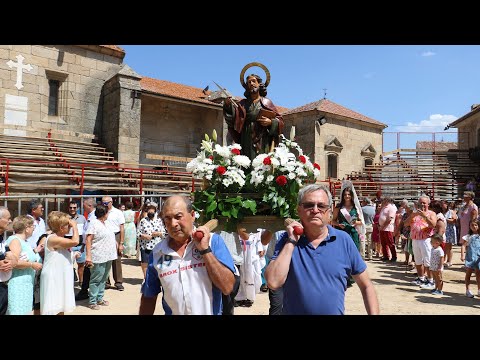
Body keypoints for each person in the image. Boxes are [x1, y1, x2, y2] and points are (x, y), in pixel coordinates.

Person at [265, 184, 379, 315]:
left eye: (321, 206)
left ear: (329, 212)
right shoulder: (287, 240)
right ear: (299, 210)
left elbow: (366, 285)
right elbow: (273, 282)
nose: (315, 210)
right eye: (308, 205)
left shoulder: (343, 240)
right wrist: (291, 241)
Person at [139, 195, 235, 315]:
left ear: (193, 215)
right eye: (167, 218)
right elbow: (149, 296)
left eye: (178, 217)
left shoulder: (213, 242)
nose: (173, 223)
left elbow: (227, 287)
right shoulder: (158, 252)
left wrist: (205, 250)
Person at [223, 70, 284, 161]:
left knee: (261, 161)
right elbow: (233, 119)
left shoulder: (267, 102)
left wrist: (271, 122)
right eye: (249, 82)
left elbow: (280, 120)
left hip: (262, 137)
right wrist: (228, 106)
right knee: (246, 162)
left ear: (259, 84)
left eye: (253, 81)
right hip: (246, 137)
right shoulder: (243, 104)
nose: (251, 83)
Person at [40, 211, 79, 315]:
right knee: (53, 306)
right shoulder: (53, 238)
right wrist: (75, 226)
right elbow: (75, 242)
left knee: (61, 306)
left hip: (60, 275)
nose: (70, 227)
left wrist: (73, 255)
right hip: (53, 276)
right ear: (61, 228)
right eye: (68, 225)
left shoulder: (59, 238)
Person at [5, 216, 43, 315]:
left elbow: (23, 257)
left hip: (26, 284)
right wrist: (32, 264)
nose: (34, 228)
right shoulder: (15, 240)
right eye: (32, 226)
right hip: (18, 284)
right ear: (26, 228)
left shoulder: (23, 241)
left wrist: (35, 251)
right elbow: (14, 262)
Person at [84, 205, 118, 310]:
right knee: (96, 279)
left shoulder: (106, 223)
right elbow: (88, 239)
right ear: (104, 214)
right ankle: (92, 301)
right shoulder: (94, 223)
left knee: (104, 278)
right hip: (98, 256)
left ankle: (100, 298)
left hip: (108, 255)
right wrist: (88, 256)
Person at [405, 195, 437, 288]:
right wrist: (412, 216)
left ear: (428, 204)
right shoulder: (414, 213)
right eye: (420, 203)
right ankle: (421, 277)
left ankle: (430, 280)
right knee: (418, 260)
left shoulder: (431, 213)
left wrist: (424, 216)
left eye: (424, 203)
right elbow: (406, 224)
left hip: (426, 239)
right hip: (415, 239)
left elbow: (433, 225)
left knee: (427, 260)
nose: (422, 204)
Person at [102, 196, 125, 291]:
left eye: (106, 203)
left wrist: (121, 243)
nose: (104, 205)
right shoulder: (101, 212)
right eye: (103, 203)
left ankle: (118, 282)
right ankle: (106, 282)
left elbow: (122, 228)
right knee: (105, 259)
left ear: (111, 202)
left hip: (116, 235)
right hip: (104, 236)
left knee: (117, 260)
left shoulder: (118, 213)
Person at [136, 202, 165, 278]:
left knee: (156, 263)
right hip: (145, 246)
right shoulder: (143, 221)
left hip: (157, 246)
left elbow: (164, 233)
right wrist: (143, 235)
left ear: (155, 212)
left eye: (152, 211)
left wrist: (158, 233)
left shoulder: (159, 221)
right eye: (149, 211)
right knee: (145, 263)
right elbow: (138, 233)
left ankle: (156, 278)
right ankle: (146, 278)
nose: (150, 212)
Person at [0, 206, 18, 315]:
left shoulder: (2, 238)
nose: (10, 221)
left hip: (3, 286)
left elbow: (14, 259)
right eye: (8, 218)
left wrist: (11, 261)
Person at [460, 219, 480, 298]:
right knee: (469, 273)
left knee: (478, 274)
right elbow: (463, 246)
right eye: (472, 225)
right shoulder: (468, 236)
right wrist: (462, 255)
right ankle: (467, 290)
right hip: (470, 258)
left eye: (476, 225)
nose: (474, 227)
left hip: (478, 258)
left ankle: (479, 289)